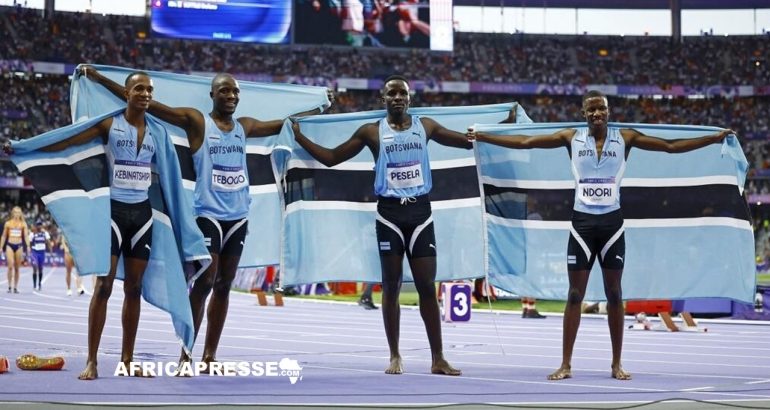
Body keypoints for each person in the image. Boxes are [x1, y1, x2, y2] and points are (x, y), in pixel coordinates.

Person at [467, 90, 733, 381]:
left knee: (615, 294)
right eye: (591, 110)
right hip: (581, 225)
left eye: (601, 109)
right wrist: (484, 137)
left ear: (609, 112)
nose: (596, 114)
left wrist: (712, 138)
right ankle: (566, 364)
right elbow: (527, 141)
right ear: (583, 113)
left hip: (612, 226)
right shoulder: (571, 137)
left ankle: (616, 363)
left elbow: (669, 146)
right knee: (574, 294)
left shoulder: (625, 138)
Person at [81, 66, 330, 370]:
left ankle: (210, 354)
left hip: (238, 216)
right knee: (206, 281)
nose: (231, 95)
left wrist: (320, 107)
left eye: (235, 91)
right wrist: (99, 79)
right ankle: (186, 352)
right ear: (212, 94)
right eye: (224, 90)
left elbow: (286, 125)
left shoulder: (245, 127)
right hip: (208, 214)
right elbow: (149, 105)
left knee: (224, 284)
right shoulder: (197, 122)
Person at [291, 75, 512, 375]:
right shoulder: (371, 132)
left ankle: (438, 358)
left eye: (402, 93)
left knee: (426, 287)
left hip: (420, 213)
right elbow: (332, 158)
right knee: (391, 287)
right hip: (389, 216)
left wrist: (501, 125)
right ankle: (395, 355)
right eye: (391, 93)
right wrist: (299, 136)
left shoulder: (426, 126)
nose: (397, 98)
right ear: (383, 99)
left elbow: (465, 142)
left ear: (410, 99)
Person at [5, 71, 160, 380]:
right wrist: (27, 148)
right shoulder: (109, 125)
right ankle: (92, 360)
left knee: (134, 288)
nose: (145, 93)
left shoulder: (159, 131)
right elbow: (67, 141)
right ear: (126, 93)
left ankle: (127, 360)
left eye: (149, 90)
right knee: (103, 287)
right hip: (114, 213)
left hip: (143, 215)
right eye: (138, 88)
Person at [1, 206, 29, 293]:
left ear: (21, 214)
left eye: (19, 212)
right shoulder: (8, 223)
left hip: (19, 246)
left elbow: (26, 236)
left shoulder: (23, 224)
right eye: (15, 212)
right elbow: (4, 236)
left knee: (17, 268)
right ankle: (9, 286)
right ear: (13, 213)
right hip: (9, 245)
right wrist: (1, 247)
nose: (17, 214)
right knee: (10, 266)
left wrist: (28, 246)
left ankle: (15, 287)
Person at [28, 221, 50, 291]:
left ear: (42, 226)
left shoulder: (45, 233)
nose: (39, 227)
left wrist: (51, 250)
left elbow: (48, 242)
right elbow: (29, 243)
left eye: (40, 225)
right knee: (35, 267)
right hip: (35, 252)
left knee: (40, 269)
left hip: (42, 252)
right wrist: (29, 250)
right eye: (38, 225)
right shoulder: (32, 234)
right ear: (35, 226)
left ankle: (39, 283)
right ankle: (34, 284)